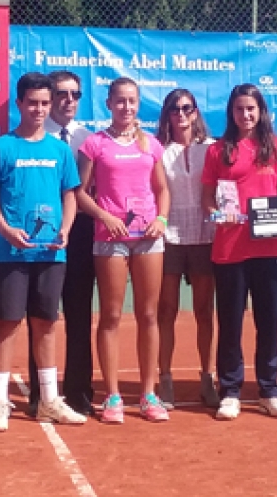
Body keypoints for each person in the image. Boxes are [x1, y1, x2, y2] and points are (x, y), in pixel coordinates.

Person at [0, 72, 88, 431]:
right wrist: (6, 230)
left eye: (45, 103)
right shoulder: (1, 148)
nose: (40, 109)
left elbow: (70, 196)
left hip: (51, 254)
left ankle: (48, 400)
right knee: (9, 324)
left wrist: (66, 229)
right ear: (20, 104)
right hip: (11, 254)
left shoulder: (60, 150)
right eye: (33, 103)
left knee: (46, 325)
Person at [202, 83, 277, 421]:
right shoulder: (218, 151)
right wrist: (218, 214)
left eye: (251, 108)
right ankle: (230, 390)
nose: (245, 115)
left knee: (268, 322)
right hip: (230, 249)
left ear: (261, 111)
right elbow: (207, 200)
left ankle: (269, 390)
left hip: (271, 248)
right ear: (230, 112)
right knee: (230, 322)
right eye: (239, 109)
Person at [76, 77, 170, 423]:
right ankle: (112, 395)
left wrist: (161, 218)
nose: (126, 108)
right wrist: (103, 215)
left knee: (148, 315)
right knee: (111, 316)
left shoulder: (151, 144)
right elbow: (80, 192)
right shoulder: (95, 144)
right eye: (120, 101)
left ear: (138, 103)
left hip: (148, 237)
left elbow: (162, 190)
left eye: (132, 101)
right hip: (110, 238)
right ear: (108, 104)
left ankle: (148, 394)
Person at [26, 70, 95, 418]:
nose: (69, 100)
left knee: (80, 314)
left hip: (81, 233)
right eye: (62, 94)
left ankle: (80, 390)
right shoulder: (34, 137)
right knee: (41, 314)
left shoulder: (88, 139)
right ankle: (40, 393)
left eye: (75, 94)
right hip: (42, 235)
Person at [154, 89, 219, 409]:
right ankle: (165, 380)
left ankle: (207, 379)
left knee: (204, 311)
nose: (181, 114)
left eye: (187, 109)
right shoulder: (158, 150)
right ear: (167, 115)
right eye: (174, 109)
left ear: (195, 113)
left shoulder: (213, 149)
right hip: (169, 239)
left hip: (206, 237)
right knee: (166, 311)